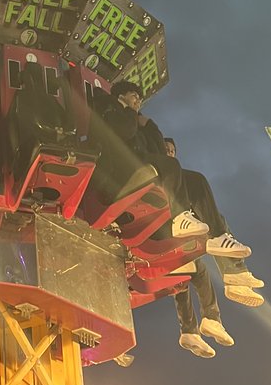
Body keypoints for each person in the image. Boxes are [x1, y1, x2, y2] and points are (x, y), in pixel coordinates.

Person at [89, 82, 252, 257]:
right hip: (117, 170)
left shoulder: (135, 118)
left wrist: (150, 125)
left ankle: (217, 237)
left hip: (139, 166)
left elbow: (159, 151)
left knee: (196, 180)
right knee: (171, 165)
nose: (138, 101)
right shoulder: (109, 106)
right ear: (121, 95)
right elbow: (124, 132)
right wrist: (129, 110)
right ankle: (180, 216)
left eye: (140, 99)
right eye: (135, 96)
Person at [163, 137, 265, 309]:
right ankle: (234, 273)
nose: (170, 153)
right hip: (167, 223)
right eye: (166, 150)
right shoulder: (161, 172)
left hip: (179, 219)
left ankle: (235, 277)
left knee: (216, 218)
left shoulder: (175, 180)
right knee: (198, 185)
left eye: (172, 151)